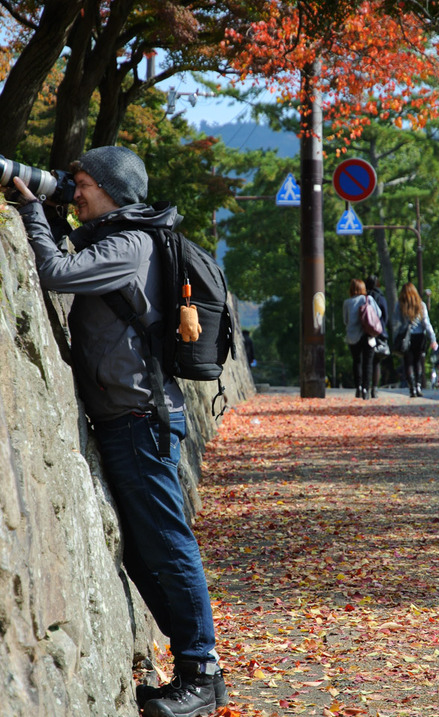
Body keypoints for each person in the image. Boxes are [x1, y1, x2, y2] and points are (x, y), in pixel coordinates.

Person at [9, 146, 227, 717]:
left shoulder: (130, 244)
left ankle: (201, 676)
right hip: (128, 418)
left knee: (170, 548)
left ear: (110, 187)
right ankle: (193, 669)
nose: (73, 191)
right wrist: (50, 210)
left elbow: (56, 273)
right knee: (143, 554)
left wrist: (32, 209)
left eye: (81, 183)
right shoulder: (122, 238)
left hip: (140, 420)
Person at [393, 282, 437, 397]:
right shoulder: (421, 305)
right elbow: (426, 323)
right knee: (418, 362)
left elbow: (396, 322)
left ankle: (411, 387)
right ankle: (418, 386)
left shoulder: (400, 305)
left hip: (406, 337)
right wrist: (432, 338)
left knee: (408, 363)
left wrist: (396, 337)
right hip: (419, 336)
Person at [343, 278, 381, 400]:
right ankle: (366, 388)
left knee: (356, 362)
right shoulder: (368, 299)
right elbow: (378, 313)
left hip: (353, 336)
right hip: (368, 334)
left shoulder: (347, 302)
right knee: (368, 363)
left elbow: (345, 320)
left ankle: (358, 387)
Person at [365, 275, 389, 398]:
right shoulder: (381, 297)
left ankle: (366, 387)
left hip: (366, 331)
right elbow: (385, 315)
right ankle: (374, 388)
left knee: (366, 360)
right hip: (379, 331)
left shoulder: (363, 297)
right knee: (376, 361)